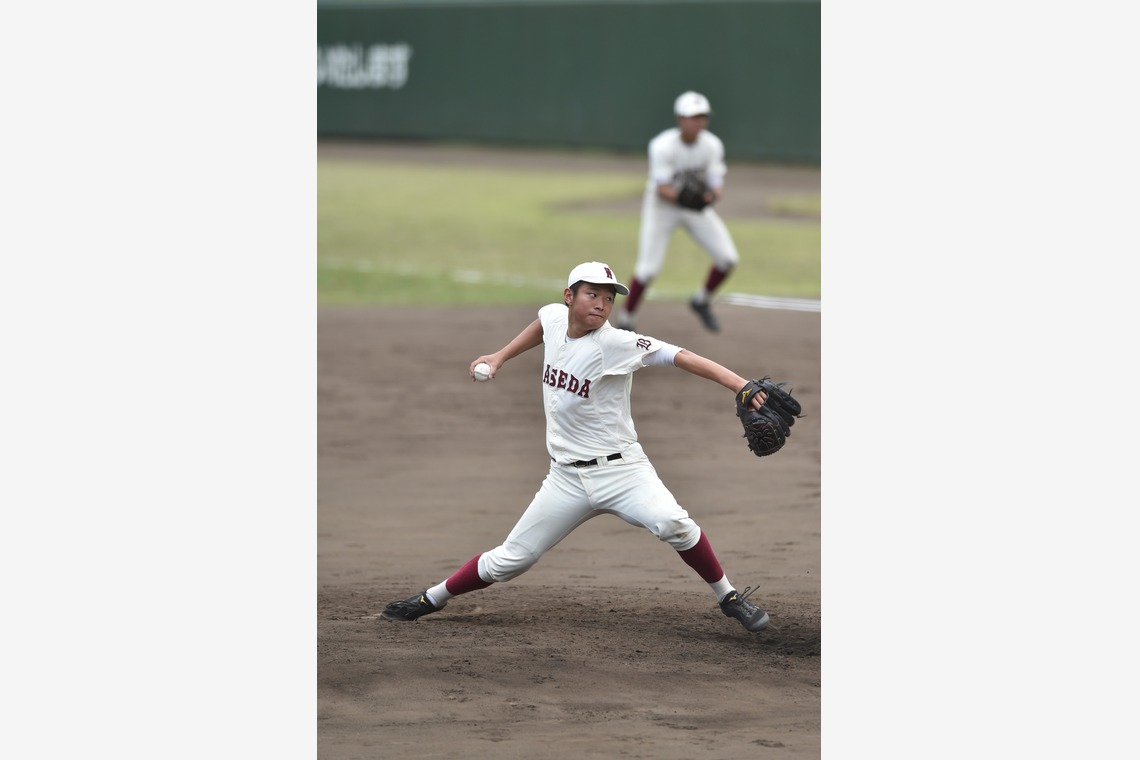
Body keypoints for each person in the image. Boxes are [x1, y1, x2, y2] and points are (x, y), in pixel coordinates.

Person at [381, 261, 774, 633]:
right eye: (592, 294)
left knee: (674, 523)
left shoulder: (615, 343)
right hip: (565, 479)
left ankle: (729, 597)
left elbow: (679, 355)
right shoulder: (555, 317)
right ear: (569, 296)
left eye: (609, 297)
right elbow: (543, 324)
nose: (602, 303)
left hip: (623, 472)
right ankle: (432, 597)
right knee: (511, 560)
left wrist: (738, 384)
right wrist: (500, 357)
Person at [615, 90, 741, 333]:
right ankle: (626, 322)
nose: (699, 122)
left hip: (694, 210)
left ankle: (701, 300)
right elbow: (663, 188)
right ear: (680, 119)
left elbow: (717, 184)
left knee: (727, 259)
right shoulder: (662, 146)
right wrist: (687, 197)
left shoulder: (712, 145)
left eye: (703, 117)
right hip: (662, 209)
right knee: (648, 270)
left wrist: (710, 196)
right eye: (693, 117)